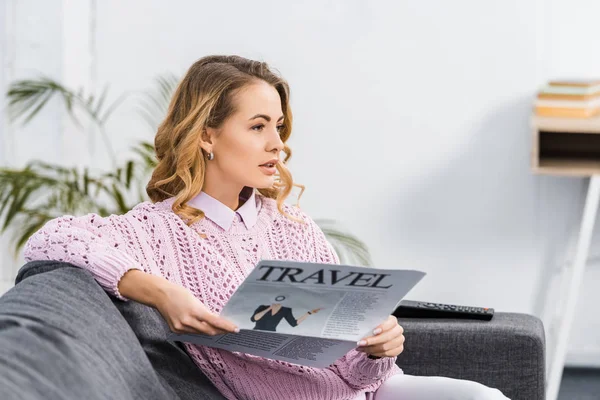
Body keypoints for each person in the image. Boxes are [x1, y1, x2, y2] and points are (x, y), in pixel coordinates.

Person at [23, 55, 509, 400]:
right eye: (258, 127)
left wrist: (380, 346)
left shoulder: (291, 224)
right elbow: (51, 237)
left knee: (484, 397)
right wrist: (160, 293)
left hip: (375, 391)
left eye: (279, 126)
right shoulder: (155, 231)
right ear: (208, 136)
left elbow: (356, 370)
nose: (278, 144)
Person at [251, 295, 323, 331]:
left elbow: (293, 323)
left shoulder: (286, 310)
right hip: (257, 332)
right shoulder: (263, 307)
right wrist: (269, 308)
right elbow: (254, 319)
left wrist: (309, 313)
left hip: (270, 335)